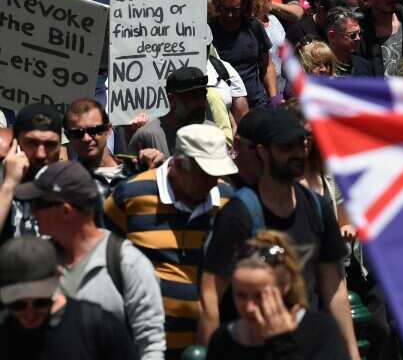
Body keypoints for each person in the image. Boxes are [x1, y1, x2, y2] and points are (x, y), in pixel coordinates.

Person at [199, 109, 358, 359]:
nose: (297, 154)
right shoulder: (238, 215)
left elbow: (334, 288)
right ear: (262, 152)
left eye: (300, 145)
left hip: (307, 345)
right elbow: (210, 295)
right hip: (253, 347)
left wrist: (351, 354)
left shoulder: (318, 208)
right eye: (286, 147)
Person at [106, 124, 237, 355]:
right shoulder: (131, 195)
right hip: (141, 346)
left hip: (207, 347)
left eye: (216, 175)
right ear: (178, 164)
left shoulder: (228, 201)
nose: (211, 183)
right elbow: (104, 258)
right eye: (204, 174)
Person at [18, 161, 165, 359]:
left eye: (39, 204)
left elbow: (150, 345)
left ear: (65, 211)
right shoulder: (39, 259)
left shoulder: (127, 263)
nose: (33, 212)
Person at [205, 231, 348, 360]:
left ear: (285, 285)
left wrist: (281, 342)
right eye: (241, 295)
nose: (249, 308)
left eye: (259, 296)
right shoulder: (224, 339)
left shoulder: (320, 331)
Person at [0, 235, 138, 360]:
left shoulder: (97, 326)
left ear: (58, 279)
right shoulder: (4, 331)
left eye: (41, 302)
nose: (30, 315)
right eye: (18, 305)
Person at [0, 103, 65, 241]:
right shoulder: (3, 184)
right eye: (32, 143)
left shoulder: (72, 187)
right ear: (15, 144)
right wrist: (9, 185)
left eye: (50, 145)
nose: (40, 154)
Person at [210, 0, 276, 109]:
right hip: (225, 106)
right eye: (225, 9)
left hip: (256, 103)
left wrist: (273, 98)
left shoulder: (254, 27)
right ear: (218, 5)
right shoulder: (210, 31)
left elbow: (267, 66)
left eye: (235, 10)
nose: (229, 15)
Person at [128, 66, 211, 167]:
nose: (201, 102)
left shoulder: (212, 132)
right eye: (192, 96)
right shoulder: (148, 136)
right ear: (172, 100)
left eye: (203, 94)